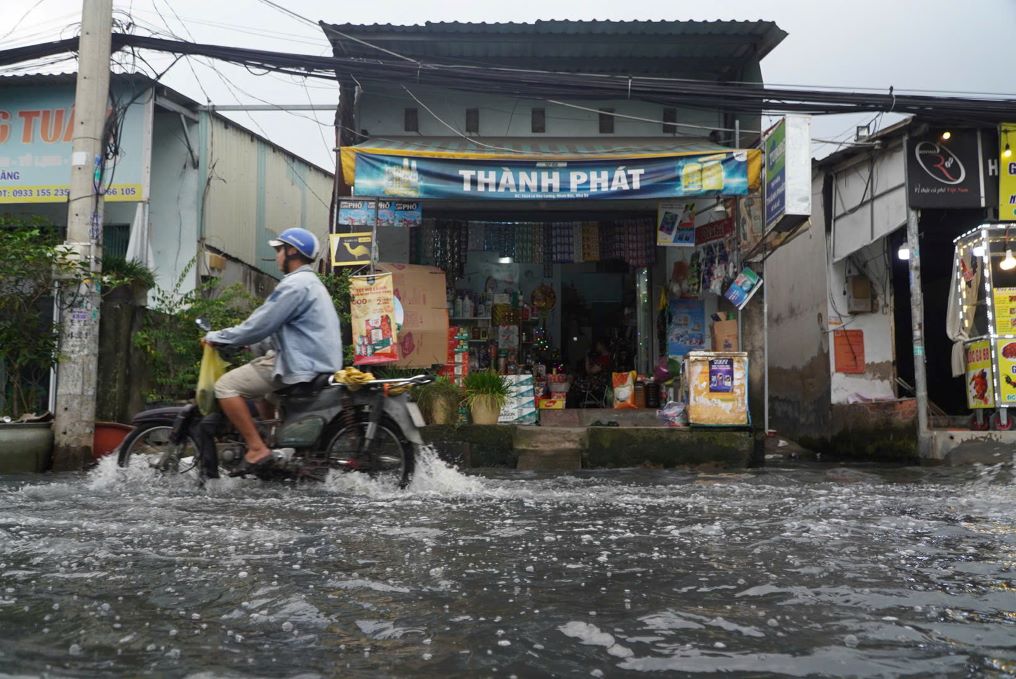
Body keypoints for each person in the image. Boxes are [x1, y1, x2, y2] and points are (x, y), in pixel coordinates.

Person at [203, 227, 343, 475]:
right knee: (261, 394)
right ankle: (273, 446)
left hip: (303, 365)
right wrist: (251, 344)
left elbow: (260, 324)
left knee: (226, 386)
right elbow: (281, 331)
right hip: (317, 362)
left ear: (291, 252)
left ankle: (257, 448)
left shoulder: (294, 286)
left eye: (279, 250)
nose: (277, 256)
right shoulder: (311, 284)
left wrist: (218, 337)